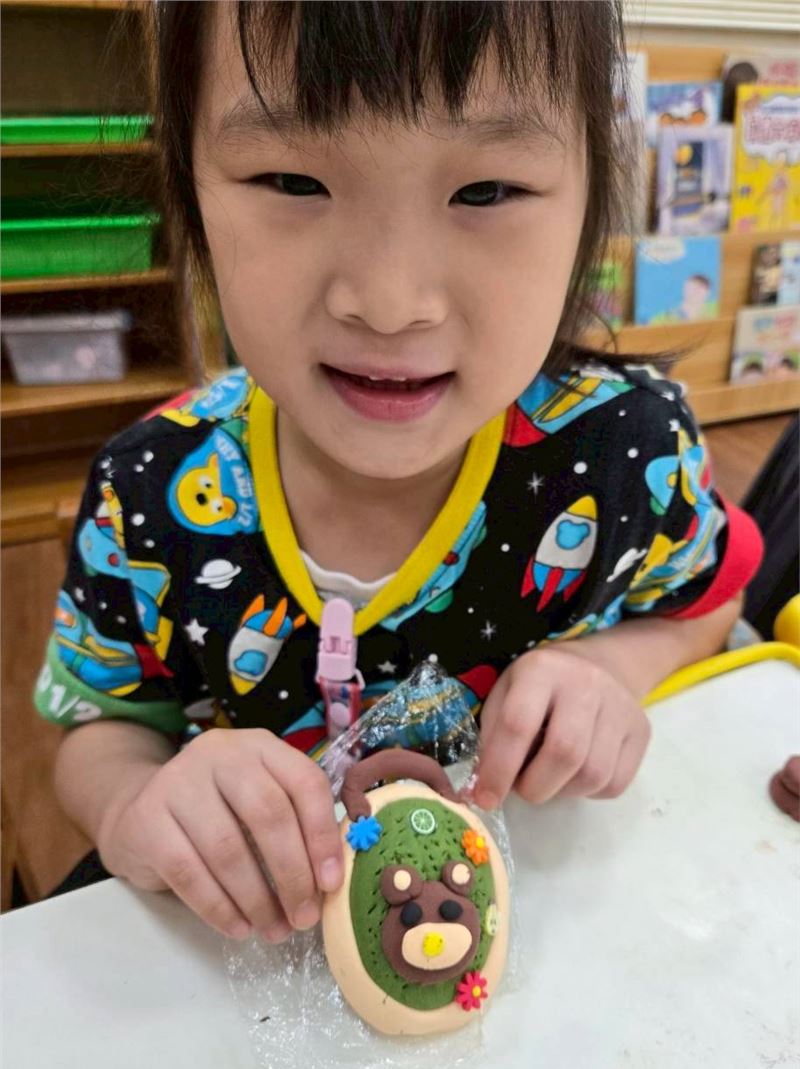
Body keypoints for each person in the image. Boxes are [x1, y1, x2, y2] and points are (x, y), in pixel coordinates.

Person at [34, 2, 763, 943]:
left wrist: (610, 667)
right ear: (190, 195)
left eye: (487, 190)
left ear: (592, 198)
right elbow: (98, 727)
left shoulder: (628, 453)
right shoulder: (147, 495)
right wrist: (135, 801)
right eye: (292, 180)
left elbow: (707, 603)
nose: (388, 303)